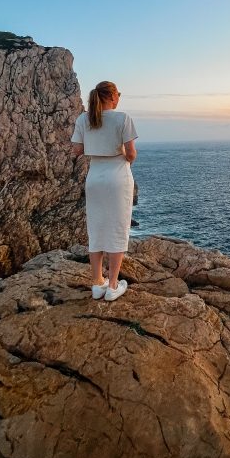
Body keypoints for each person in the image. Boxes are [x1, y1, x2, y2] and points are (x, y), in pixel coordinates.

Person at [70, 81, 138, 301]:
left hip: (94, 178)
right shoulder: (122, 118)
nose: (119, 98)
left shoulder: (83, 119)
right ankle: (112, 285)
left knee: (97, 228)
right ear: (111, 96)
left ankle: (97, 283)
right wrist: (123, 159)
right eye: (118, 94)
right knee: (117, 228)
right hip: (117, 177)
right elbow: (131, 153)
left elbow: (77, 150)